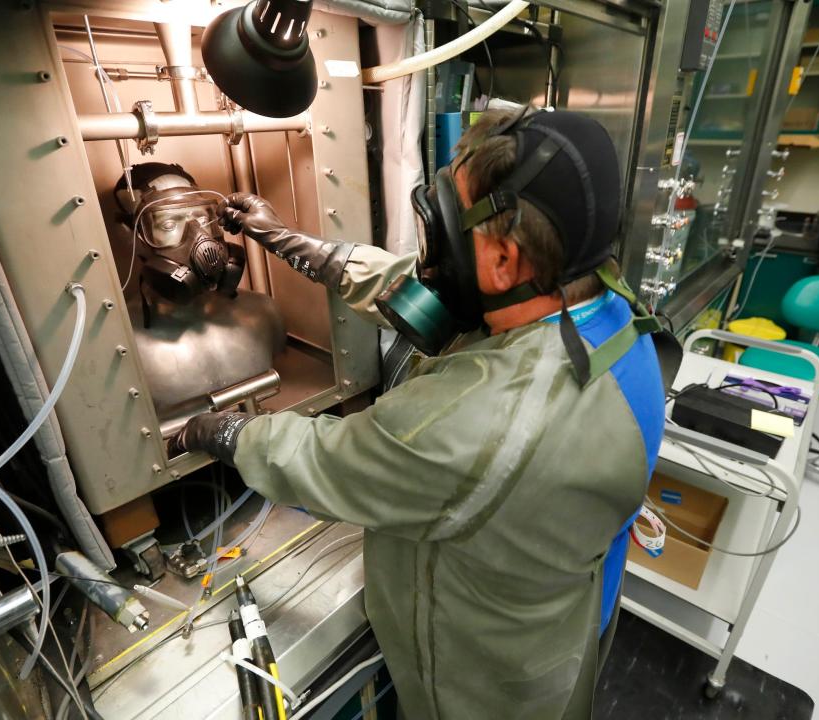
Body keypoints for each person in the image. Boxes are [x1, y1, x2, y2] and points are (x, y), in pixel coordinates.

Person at [171, 108, 666, 719]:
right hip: (566, 612)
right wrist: (299, 246)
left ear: (507, 261)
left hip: (490, 686)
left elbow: (322, 461)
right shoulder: (599, 299)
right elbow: (433, 291)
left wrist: (223, 430)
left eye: (450, 232)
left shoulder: (479, 421)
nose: (436, 252)